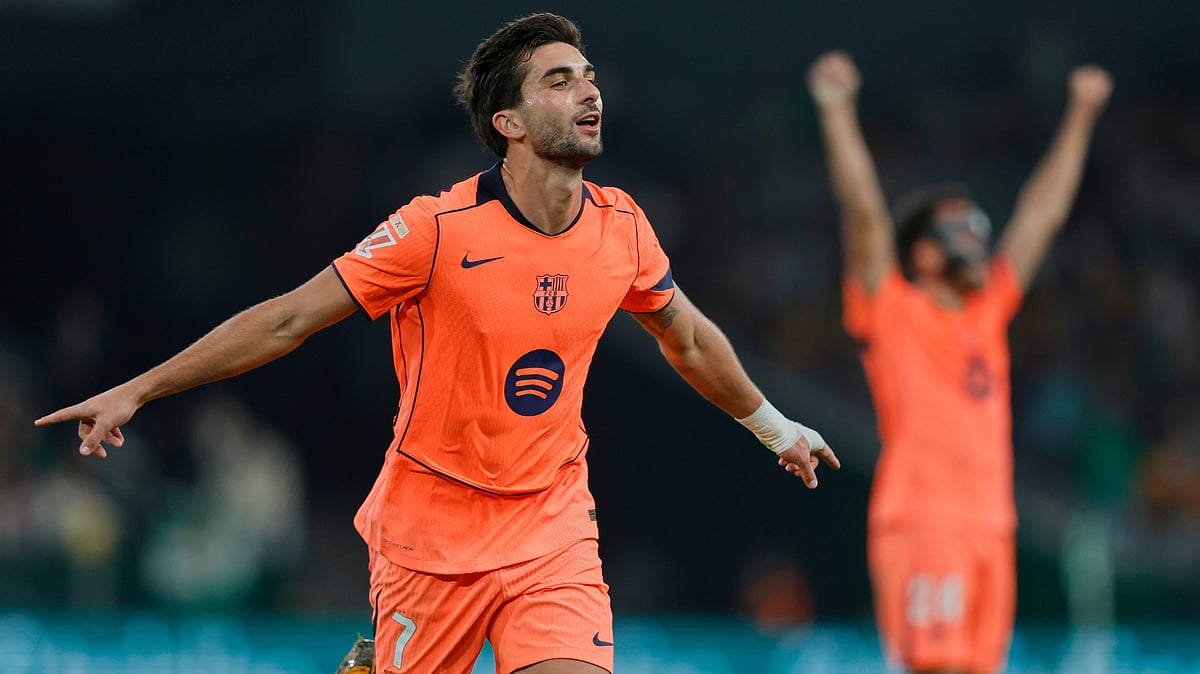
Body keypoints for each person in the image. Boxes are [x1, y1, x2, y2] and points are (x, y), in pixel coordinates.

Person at [35, 13, 840, 674]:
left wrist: (776, 426)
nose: (588, 89)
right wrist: (138, 388)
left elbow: (690, 340)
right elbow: (287, 319)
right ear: (509, 123)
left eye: (588, 74)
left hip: (550, 527)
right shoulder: (434, 230)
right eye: (558, 80)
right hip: (432, 537)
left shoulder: (623, 226)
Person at [806, 51, 1112, 674]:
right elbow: (864, 213)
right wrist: (838, 111)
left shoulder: (988, 310)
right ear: (920, 255)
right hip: (925, 521)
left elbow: (1041, 213)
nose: (976, 237)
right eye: (956, 230)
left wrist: (1082, 112)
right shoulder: (891, 307)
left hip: (991, 527)